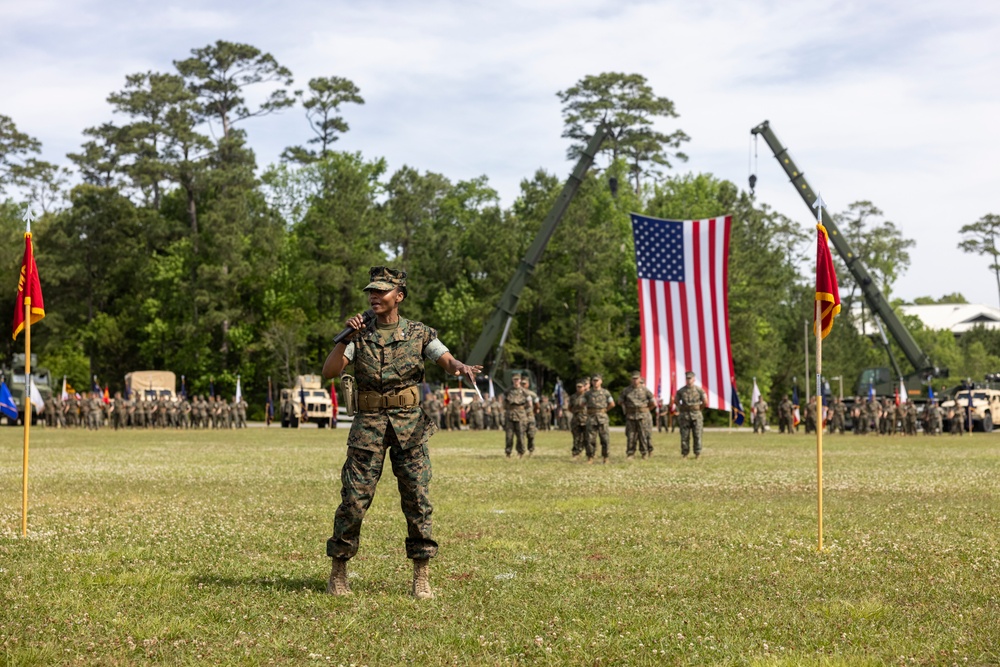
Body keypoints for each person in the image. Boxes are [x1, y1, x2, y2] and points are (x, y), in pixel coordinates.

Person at [321, 266, 481, 600]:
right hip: (368, 427)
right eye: (371, 291)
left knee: (417, 500)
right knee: (353, 500)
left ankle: (421, 576)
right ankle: (338, 573)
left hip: (410, 427)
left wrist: (461, 368)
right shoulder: (359, 335)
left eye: (381, 291)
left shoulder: (419, 333)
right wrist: (346, 339)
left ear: (400, 296)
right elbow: (329, 372)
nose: (374, 296)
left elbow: (446, 359)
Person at [619, 371, 655, 459]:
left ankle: (644, 453)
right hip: (631, 416)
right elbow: (620, 401)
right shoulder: (626, 390)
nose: (635, 380)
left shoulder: (645, 390)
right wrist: (625, 409)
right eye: (633, 378)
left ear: (640, 379)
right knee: (631, 435)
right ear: (631, 379)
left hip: (642, 416)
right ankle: (630, 454)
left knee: (643, 435)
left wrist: (646, 410)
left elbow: (653, 403)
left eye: (636, 378)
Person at [674, 371, 707, 458]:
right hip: (685, 415)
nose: (688, 380)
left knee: (697, 435)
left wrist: (698, 409)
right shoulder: (681, 390)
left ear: (694, 379)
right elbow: (676, 400)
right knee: (684, 435)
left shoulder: (699, 390)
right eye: (687, 378)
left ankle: (697, 453)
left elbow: (705, 401)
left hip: (696, 415)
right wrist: (681, 407)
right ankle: (685, 454)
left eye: (690, 378)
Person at [583, 374, 614, 464]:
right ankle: (590, 457)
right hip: (591, 417)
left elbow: (612, 404)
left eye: (597, 380)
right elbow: (582, 403)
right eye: (594, 381)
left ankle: (605, 457)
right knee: (590, 439)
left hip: (602, 417)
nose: (595, 382)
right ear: (591, 382)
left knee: (605, 438)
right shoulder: (588, 393)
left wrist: (604, 410)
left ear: (601, 381)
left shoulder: (605, 392)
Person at [503, 374, 530, 458]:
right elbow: (504, 403)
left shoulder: (524, 391)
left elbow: (529, 404)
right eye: (514, 379)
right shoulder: (508, 391)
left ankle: (521, 452)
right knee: (509, 435)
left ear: (520, 380)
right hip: (510, 415)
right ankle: (508, 453)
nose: (516, 381)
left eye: (517, 379)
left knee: (521, 435)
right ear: (512, 380)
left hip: (521, 415)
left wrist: (526, 413)